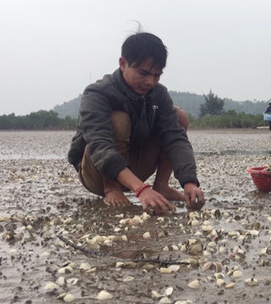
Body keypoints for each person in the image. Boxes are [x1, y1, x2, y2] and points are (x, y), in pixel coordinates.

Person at [67, 31, 205, 214]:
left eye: (157, 75)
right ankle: (112, 188)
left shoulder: (159, 95)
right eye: (143, 73)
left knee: (179, 116)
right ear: (123, 64)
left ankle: (161, 186)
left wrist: (190, 182)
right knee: (119, 120)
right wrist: (141, 189)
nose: (150, 82)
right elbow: (100, 146)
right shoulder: (97, 93)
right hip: (97, 172)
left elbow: (175, 139)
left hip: (134, 164)